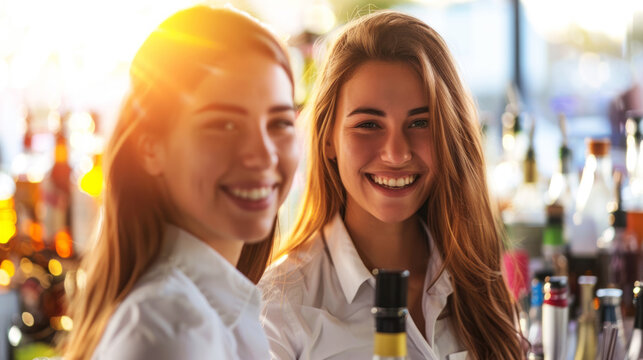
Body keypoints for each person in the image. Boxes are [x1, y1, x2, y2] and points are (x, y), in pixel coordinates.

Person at [259, 10, 525, 360]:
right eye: (369, 125)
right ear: (327, 140)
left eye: (420, 123)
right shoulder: (279, 307)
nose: (397, 154)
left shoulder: (478, 282)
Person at [63, 6, 298, 360]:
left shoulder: (201, 312)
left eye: (279, 123)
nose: (263, 155)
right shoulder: (172, 328)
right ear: (151, 148)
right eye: (225, 125)